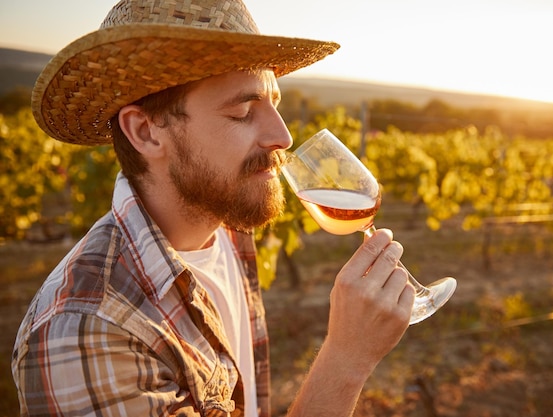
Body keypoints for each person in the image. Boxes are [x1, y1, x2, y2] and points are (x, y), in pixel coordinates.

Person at [12, 0, 415, 416]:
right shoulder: (89, 331)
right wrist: (346, 360)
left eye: (274, 103)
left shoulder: (226, 224)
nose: (283, 135)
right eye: (243, 111)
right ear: (146, 132)